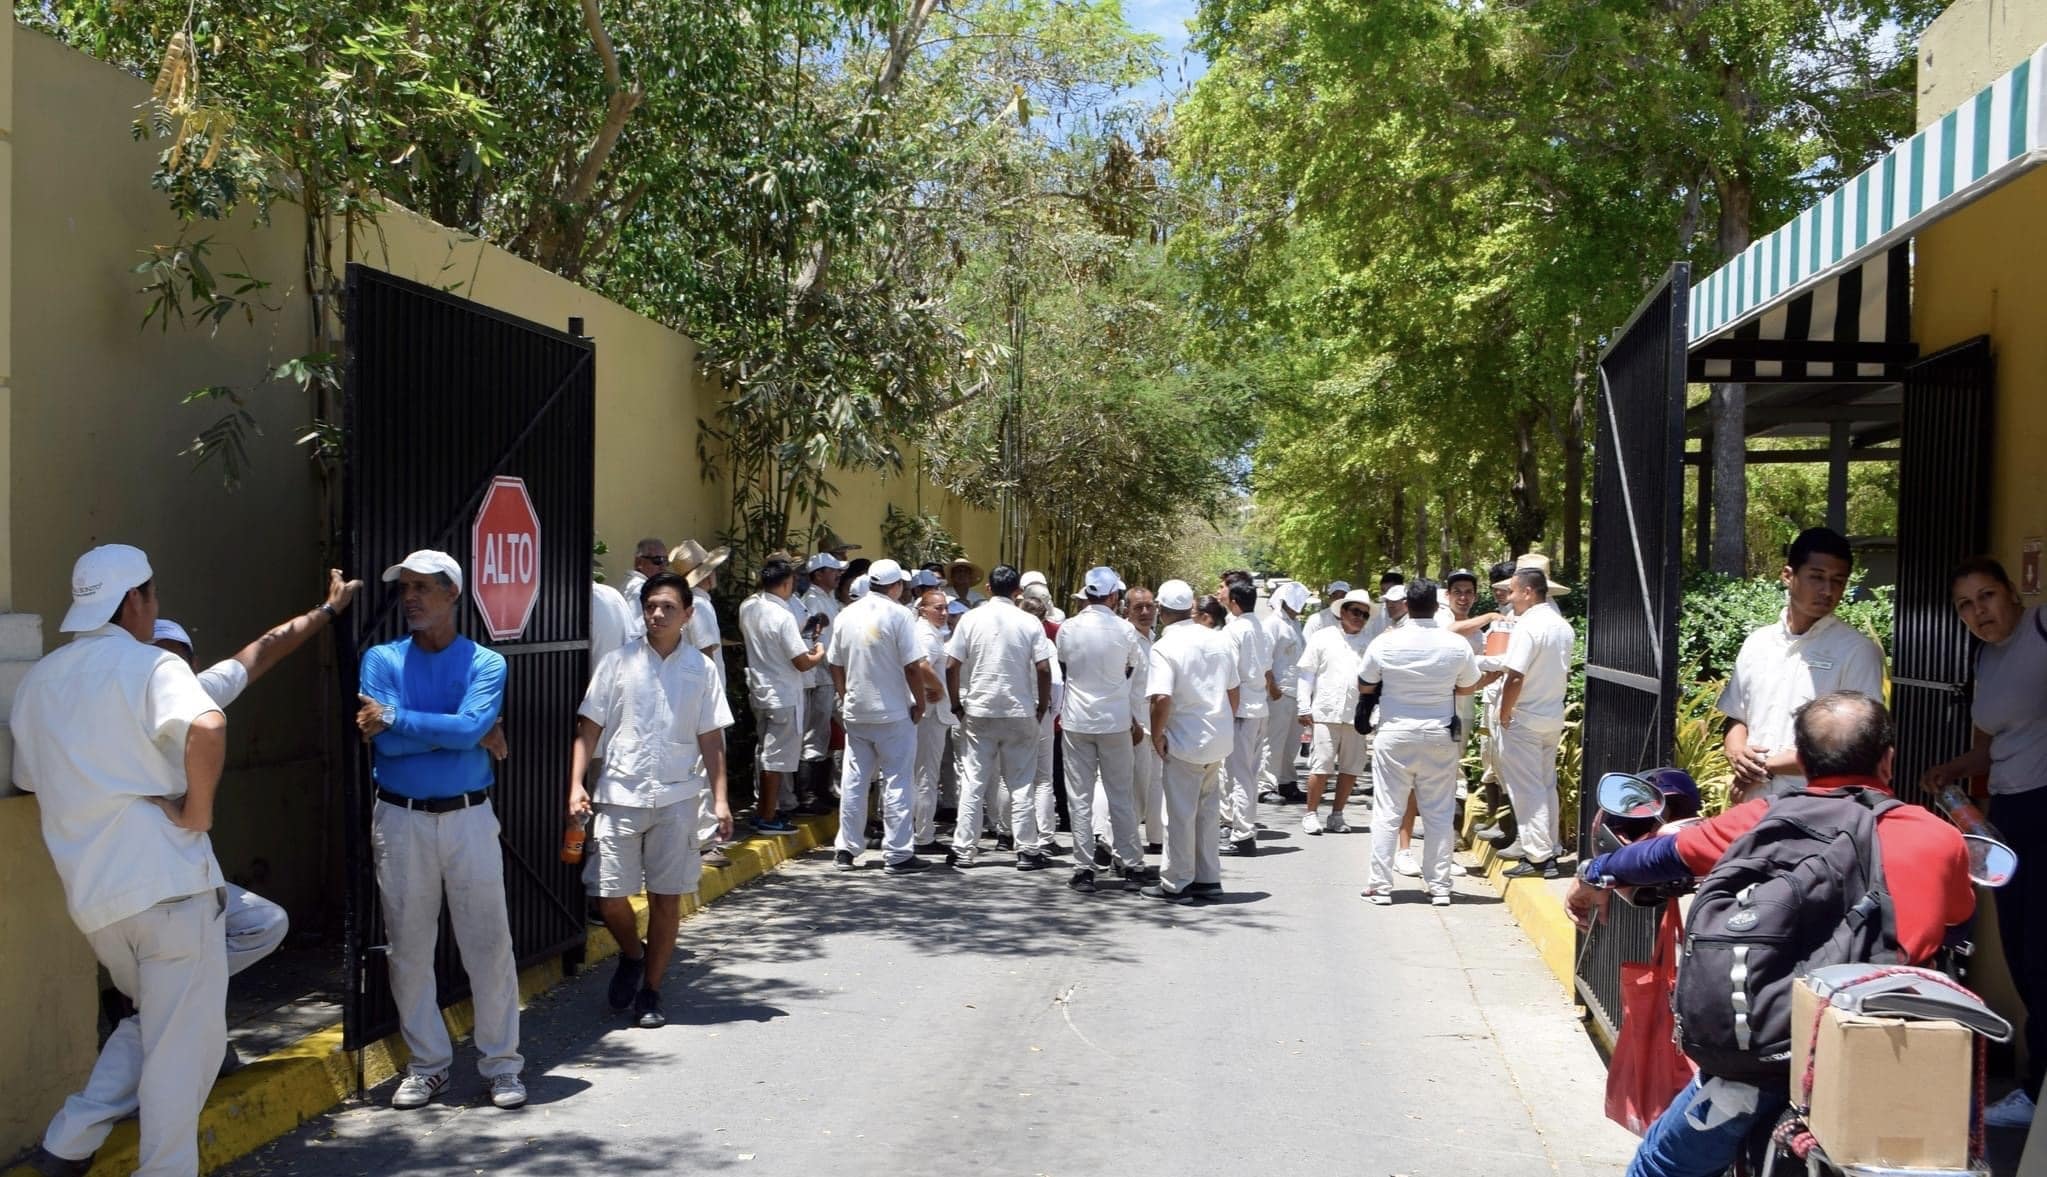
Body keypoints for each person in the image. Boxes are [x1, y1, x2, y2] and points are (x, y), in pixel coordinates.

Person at [1568, 692, 1974, 1177]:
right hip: (1889, 1052)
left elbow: (1657, 857)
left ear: (1801, 760)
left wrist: (1594, 874)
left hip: (1775, 1054)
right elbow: (1955, 917)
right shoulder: (1939, 837)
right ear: (1888, 760)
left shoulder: (1761, 821)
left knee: (1657, 1164)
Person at [15, 545, 231, 1176]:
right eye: (152, 597)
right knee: (178, 1053)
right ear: (134, 600)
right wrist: (197, 813)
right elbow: (209, 724)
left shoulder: (38, 683)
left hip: (98, 903)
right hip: (167, 885)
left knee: (154, 1030)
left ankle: (70, 1141)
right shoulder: (148, 666)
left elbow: (31, 778)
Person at [353, 550, 525, 1110]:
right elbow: (387, 746)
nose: (411, 598)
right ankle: (428, 1065)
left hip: (469, 816)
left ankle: (502, 1065)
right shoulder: (380, 659)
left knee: (488, 945)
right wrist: (462, 734)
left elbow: (460, 725)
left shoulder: (485, 663)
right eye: (405, 587)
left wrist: (403, 719)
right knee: (408, 948)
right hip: (399, 818)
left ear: (453, 594)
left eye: (424, 587)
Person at [152, 570, 367, 986]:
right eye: (155, 658)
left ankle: (163, 1000)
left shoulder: (201, 692)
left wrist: (327, 610)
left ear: (192, 665)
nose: (165, 669)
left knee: (261, 924)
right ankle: (160, 1003)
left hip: (189, 870)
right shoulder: (119, 708)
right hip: (138, 874)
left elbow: (264, 652)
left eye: (175, 659)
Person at [567, 572, 734, 1030]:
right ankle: (632, 953)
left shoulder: (700, 670)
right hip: (620, 793)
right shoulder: (619, 662)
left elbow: (712, 738)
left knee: (667, 898)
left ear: (687, 614)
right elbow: (589, 727)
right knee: (608, 896)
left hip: (679, 797)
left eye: (667, 607)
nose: (657, 614)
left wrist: (720, 799)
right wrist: (576, 783)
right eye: (650, 606)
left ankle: (652, 990)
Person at [1926, 556, 2047, 1128]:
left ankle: (2038, 1087)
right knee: (2022, 952)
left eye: (1988, 596)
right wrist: (1949, 771)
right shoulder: (1985, 657)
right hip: (2009, 813)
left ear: (2012, 595)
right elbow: (1989, 748)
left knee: (2043, 952)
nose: (1980, 612)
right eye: (1966, 605)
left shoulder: (2041, 629)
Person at [1719, 526, 1885, 802]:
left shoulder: (1857, 651)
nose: (1827, 590)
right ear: (1788, 575)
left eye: (1838, 581)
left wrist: (1764, 767)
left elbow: (1855, 743)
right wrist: (1736, 752)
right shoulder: (1757, 643)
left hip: (1817, 809)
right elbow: (1737, 716)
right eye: (1816, 577)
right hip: (1750, 803)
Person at [1357, 580, 1480, 906]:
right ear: (1437, 606)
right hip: (1439, 734)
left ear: (1407, 606)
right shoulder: (1455, 644)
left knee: (1387, 812)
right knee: (1439, 814)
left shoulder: (1387, 642)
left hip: (1395, 734)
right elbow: (1468, 687)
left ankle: (1380, 887)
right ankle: (1439, 887)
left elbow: (1365, 682)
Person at [825, 560, 938, 875]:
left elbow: (834, 662)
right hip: (893, 713)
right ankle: (898, 852)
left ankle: (846, 850)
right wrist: (919, 702)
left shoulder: (846, 614)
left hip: (857, 712)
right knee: (898, 781)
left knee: (855, 780)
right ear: (896, 586)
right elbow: (913, 666)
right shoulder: (900, 615)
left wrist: (845, 694)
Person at [945, 565, 1052, 869]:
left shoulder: (969, 619)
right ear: (1017, 591)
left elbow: (951, 665)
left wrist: (956, 705)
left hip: (979, 709)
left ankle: (964, 849)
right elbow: (1043, 669)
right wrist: (1041, 707)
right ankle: (1027, 850)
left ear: (989, 589)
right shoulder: (1030, 622)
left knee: (973, 781)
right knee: (1020, 783)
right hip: (1019, 710)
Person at [1141, 580, 1241, 904]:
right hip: (1217, 739)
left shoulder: (1165, 647)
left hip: (1184, 740)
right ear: (1191, 608)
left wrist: (1157, 735)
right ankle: (1208, 879)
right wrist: (1221, 722)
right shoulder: (1218, 640)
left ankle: (1176, 883)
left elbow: (1161, 698)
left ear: (1161, 610)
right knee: (1208, 811)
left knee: (1180, 814)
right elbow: (1233, 691)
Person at [1391, 569, 1491, 878]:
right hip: (1431, 712)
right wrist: (1489, 616)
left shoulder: (1479, 631)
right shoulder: (1444, 619)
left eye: (1469, 592)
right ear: (1445, 597)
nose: (1463, 596)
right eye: (1458, 590)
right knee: (1413, 782)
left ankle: (1442, 855)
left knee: (1446, 784)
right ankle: (1403, 851)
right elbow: (1452, 633)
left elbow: (1475, 676)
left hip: (1462, 711)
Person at [1483, 558, 1575, 879]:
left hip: (1525, 717)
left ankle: (1538, 857)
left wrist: (1504, 712)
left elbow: (1515, 676)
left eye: (1512, 590)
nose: (1508, 595)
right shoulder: (1561, 625)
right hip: (1551, 715)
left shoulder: (1528, 625)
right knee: (1545, 784)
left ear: (1527, 592)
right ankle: (1548, 849)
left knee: (1527, 789)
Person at [1057, 567, 1147, 892]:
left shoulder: (1068, 628)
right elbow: (1131, 669)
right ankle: (1133, 865)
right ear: (1113, 596)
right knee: (1120, 794)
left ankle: (1083, 869)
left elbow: (1065, 667)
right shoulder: (1125, 631)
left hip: (1077, 720)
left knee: (1079, 797)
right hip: (1115, 722)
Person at [738, 558, 827, 833]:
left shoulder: (748, 606)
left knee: (766, 754)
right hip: (784, 694)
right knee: (775, 759)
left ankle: (766, 809)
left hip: (761, 689)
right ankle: (767, 815)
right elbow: (801, 662)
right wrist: (818, 654)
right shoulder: (783, 615)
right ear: (787, 583)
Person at [670, 539, 734, 867]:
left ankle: (693, 835)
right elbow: (708, 653)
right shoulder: (702, 605)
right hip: (705, 696)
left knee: (693, 767)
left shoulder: (683, 604)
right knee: (707, 767)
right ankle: (705, 840)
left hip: (687, 694)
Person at [1296, 589, 1376, 835]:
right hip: (1326, 711)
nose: (1359, 618)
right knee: (1321, 766)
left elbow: (1376, 681)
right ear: (1342, 612)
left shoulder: (1370, 643)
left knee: (1350, 769)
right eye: (1355, 612)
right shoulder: (1323, 637)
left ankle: (1337, 814)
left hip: (1356, 715)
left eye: (1364, 614)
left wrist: (1374, 714)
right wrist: (1303, 705)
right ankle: (1311, 813)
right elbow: (1307, 673)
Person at [1221, 579, 1275, 857]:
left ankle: (1242, 834)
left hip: (1241, 709)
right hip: (1259, 707)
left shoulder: (1234, 631)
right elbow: (1266, 668)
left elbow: (1227, 673)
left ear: (1234, 602)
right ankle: (1239, 827)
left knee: (1240, 775)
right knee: (1248, 774)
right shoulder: (1261, 629)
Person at [1472, 559, 1523, 848]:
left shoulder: (1521, 619)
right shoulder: (1500, 615)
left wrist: (1476, 666)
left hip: (1507, 699)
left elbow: (1503, 664)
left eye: (1504, 588)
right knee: (1490, 760)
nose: (1499, 593)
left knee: (1507, 765)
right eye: (1495, 588)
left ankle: (1511, 829)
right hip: (1492, 697)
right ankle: (1496, 819)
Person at [797, 552, 847, 811]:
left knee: (824, 734)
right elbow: (819, 643)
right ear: (818, 574)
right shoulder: (814, 602)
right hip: (821, 676)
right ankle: (809, 794)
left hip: (828, 676)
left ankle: (822, 789)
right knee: (815, 734)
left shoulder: (827, 599)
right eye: (832, 570)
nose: (838, 574)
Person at [910, 587, 958, 854]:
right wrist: (939, 688)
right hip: (930, 713)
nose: (943, 613)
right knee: (926, 774)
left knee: (920, 773)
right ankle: (923, 836)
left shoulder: (929, 632)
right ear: (923, 609)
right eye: (937, 608)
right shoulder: (925, 633)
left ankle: (917, 831)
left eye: (945, 608)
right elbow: (922, 665)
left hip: (929, 712)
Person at [1017, 592, 1064, 853]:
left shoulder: (1009, 639)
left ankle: (1006, 831)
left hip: (1016, 711)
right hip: (1040, 712)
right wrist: (1051, 710)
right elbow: (1055, 682)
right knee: (1042, 778)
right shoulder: (1045, 643)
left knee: (1011, 776)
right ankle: (1045, 836)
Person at [1259, 582, 1311, 806]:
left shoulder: (1295, 625)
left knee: (1291, 743)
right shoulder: (1272, 624)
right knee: (1274, 741)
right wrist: (1272, 687)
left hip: (1295, 692)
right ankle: (1264, 785)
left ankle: (1287, 782)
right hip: (1279, 692)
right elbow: (1264, 659)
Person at [1124, 587, 1166, 854]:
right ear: (1126, 609)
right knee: (1134, 786)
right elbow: (1120, 686)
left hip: (1155, 723)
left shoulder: (1155, 639)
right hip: (1134, 723)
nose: (1145, 612)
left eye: (1150, 607)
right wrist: (1130, 723)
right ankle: (1118, 842)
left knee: (1156, 783)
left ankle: (1157, 837)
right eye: (1138, 607)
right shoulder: (1125, 639)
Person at [621, 537, 668, 637]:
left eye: (665, 561)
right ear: (639, 562)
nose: (663, 566)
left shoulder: (634, 584)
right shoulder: (639, 589)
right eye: (657, 560)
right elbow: (637, 632)